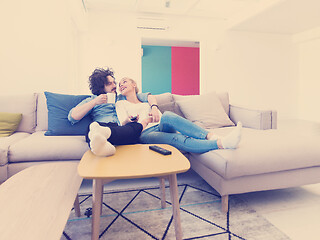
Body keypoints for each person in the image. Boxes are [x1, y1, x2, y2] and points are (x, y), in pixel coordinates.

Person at [115, 77, 242, 153]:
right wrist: (131, 120)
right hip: (144, 133)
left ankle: (211, 136)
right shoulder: (120, 103)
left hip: (159, 125)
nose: (121, 85)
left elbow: (153, 102)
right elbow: (122, 123)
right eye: (120, 85)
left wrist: (154, 108)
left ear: (134, 84)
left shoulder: (146, 99)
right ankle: (221, 143)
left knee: (168, 115)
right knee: (177, 139)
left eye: (124, 82)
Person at [68, 68, 160, 157]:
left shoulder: (123, 96)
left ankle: (106, 141)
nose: (115, 86)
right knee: (92, 128)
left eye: (114, 82)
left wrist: (154, 107)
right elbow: (73, 116)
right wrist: (95, 102)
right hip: (102, 126)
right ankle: (106, 147)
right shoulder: (92, 100)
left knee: (135, 126)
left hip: (122, 130)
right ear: (101, 87)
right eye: (109, 84)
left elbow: (149, 96)